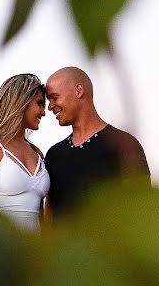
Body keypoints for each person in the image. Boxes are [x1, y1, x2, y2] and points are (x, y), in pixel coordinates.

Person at [44, 66, 150, 218]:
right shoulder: (53, 154)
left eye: (54, 97)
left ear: (78, 91)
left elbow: (143, 207)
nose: (50, 106)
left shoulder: (124, 145)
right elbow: (49, 218)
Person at [0, 73, 49, 231]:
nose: (43, 112)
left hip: (35, 251)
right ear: (22, 102)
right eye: (39, 104)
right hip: (3, 248)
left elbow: (41, 216)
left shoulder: (37, 153)